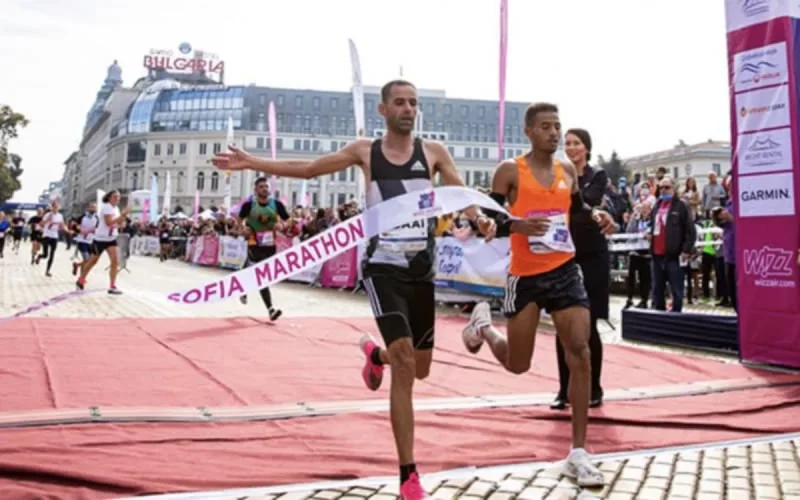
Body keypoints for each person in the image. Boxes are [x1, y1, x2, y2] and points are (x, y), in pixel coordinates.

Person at [212, 79, 495, 500]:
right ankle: (409, 476)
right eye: (399, 102)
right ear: (383, 109)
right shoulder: (366, 151)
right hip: (382, 269)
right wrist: (252, 162)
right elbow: (309, 169)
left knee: (418, 367)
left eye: (413, 103)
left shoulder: (433, 153)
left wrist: (480, 218)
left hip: (421, 271)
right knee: (405, 364)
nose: (408, 109)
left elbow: (457, 192)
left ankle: (373, 356)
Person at [460, 103, 615, 487]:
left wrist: (597, 215)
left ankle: (578, 452)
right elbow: (489, 220)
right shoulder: (510, 171)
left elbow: (575, 208)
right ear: (529, 131)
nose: (554, 133)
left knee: (579, 351)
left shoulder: (567, 171)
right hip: (526, 276)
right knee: (518, 363)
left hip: (564, 271)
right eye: (546, 126)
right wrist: (517, 225)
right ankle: (484, 328)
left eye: (557, 126)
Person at [551, 128, 609, 410]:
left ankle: (593, 388)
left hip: (592, 255)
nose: (571, 148)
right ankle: (564, 389)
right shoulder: (556, 173)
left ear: (586, 148)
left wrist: (578, 207)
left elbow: (584, 206)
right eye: (568, 144)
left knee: (590, 324)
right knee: (562, 324)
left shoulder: (597, 175)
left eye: (577, 144)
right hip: (563, 253)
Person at [237, 177, 290, 321]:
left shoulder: (277, 205)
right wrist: (243, 229)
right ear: (255, 189)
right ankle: (271, 309)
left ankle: (244, 287)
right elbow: (239, 218)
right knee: (261, 275)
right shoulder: (249, 205)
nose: (264, 189)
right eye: (261, 187)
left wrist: (282, 226)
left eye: (266, 187)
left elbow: (287, 219)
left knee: (255, 271)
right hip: (254, 242)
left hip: (270, 244)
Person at [647, 176, 695, 312]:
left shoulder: (681, 205)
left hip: (674, 256)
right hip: (657, 256)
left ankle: (675, 322)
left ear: (674, 189)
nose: (663, 190)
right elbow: (652, 225)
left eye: (667, 187)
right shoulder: (657, 205)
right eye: (661, 187)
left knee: (676, 292)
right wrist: (649, 233)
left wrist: (686, 250)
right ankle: (660, 322)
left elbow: (690, 231)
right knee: (657, 292)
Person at [76, 189, 130, 295]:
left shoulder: (116, 209)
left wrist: (122, 222)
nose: (117, 199)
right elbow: (109, 222)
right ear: (109, 197)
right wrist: (122, 216)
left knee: (115, 261)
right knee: (93, 261)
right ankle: (81, 279)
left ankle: (112, 285)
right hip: (100, 238)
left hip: (111, 238)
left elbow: (117, 223)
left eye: (118, 197)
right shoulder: (106, 207)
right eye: (115, 196)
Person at [37, 200, 71, 277]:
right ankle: (39, 256)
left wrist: (68, 231)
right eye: (54, 207)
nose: (56, 208)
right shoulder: (47, 215)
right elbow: (41, 224)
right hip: (46, 235)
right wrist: (47, 219)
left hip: (54, 236)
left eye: (57, 207)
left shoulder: (60, 216)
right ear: (52, 207)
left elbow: (62, 225)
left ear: (59, 208)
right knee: (45, 255)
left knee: (52, 254)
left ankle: (47, 271)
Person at [73, 202, 99, 276]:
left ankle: (77, 265)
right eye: (91, 207)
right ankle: (82, 277)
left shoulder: (97, 218)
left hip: (91, 241)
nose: (93, 209)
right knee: (86, 259)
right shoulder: (83, 217)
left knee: (89, 260)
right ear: (88, 208)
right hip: (82, 240)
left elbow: (98, 228)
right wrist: (79, 229)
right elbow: (74, 225)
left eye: (94, 207)